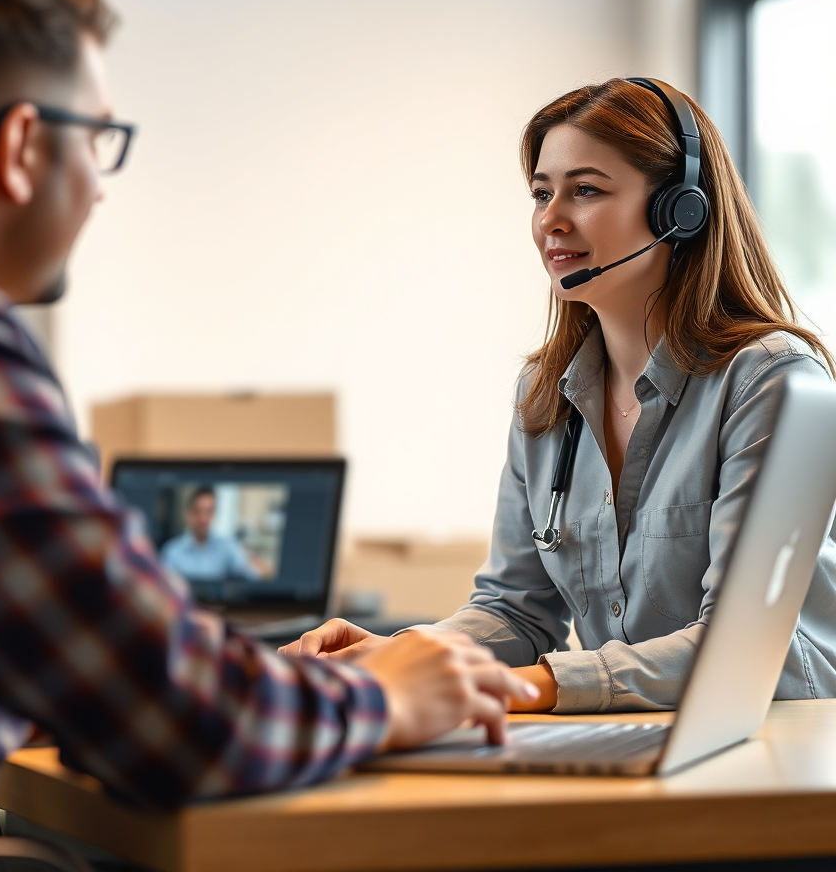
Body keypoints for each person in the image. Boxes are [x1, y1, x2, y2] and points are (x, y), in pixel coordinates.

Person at [0, 0, 537, 841]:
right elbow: (174, 725)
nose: (99, 189)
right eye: (98, 139)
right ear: (22, 148)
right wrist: (379, 696)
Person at [283, 77, 836, 714]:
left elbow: (744, 648)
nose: (551, 220)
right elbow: (515, 611)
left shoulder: (770, 381)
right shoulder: (545, 395)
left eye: (586, 190)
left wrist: (524, 687)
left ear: (681, 210)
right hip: (629, 737)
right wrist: (401, 655)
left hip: (774, 743)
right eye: (542, 193)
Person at [161, 486, 263, 580]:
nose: (203, 519)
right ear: (188, 513)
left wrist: (255, 564)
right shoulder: (172, 552)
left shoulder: (228, 546)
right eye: (198, 511)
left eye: (209, 512)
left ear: (215, 514)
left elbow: (251, 578)